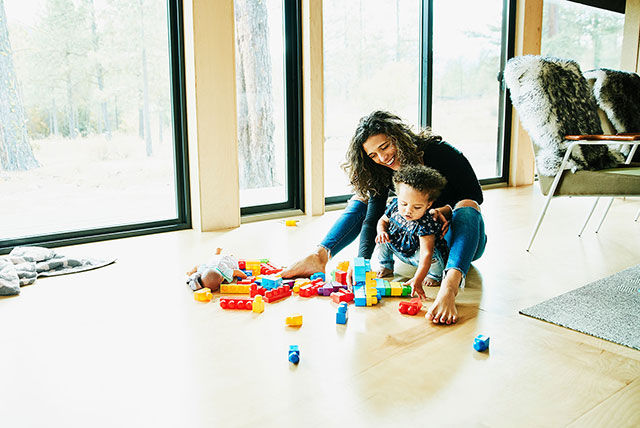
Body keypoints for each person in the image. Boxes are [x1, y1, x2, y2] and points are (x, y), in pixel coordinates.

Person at [281, 110, 487, 325]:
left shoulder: (440, 152)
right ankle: (319, 256)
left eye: (385, 146)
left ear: (398, 137)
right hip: (414, 248)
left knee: (467, 205)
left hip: (456, 240)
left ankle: (450, 287)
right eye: (373, 155)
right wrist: (362, 261)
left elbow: (475, 195)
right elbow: (372, 217)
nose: (383, 158)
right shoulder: (380, 170)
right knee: (362, 198)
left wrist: (445, 210)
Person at [376, 164, 448, 290]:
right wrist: (381, 231)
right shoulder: (394, 207)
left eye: (417, 207)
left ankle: (434, 275)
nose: (408, 211)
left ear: (428, 205)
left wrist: (418, 279)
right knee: (382, 238)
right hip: (400, 249)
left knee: (432, 255)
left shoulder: (425, 223)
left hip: (418, 257)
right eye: (403, 204)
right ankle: (386, 265)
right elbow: (382, 221)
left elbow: (427, 254)